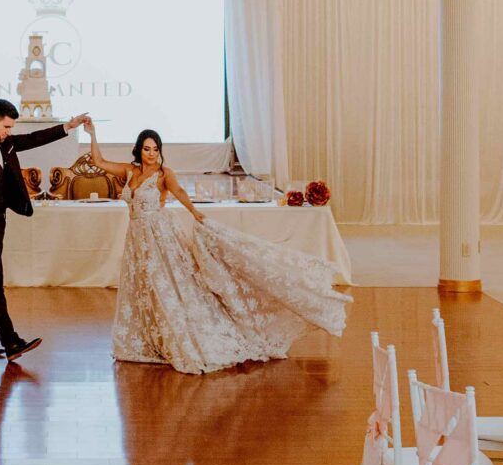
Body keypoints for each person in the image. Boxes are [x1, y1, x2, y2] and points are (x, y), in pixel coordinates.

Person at [96, 121, 349, 374]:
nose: (151, 154)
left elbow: (181, 192)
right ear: (139, 150)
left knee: (168, 286)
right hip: (137, 238)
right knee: (144, 287)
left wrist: (195, 213)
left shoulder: (163, 174)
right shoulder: (130, 171)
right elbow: (100, 162)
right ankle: (151, 338)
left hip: (158, 235)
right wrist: (92, 133)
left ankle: (179, 336)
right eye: (146, 149)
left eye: (155, 149)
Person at [0, 98, 86, 360]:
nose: (9, 132)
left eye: (11, 128)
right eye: (6, 127)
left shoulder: (6, 144)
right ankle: (11, 341)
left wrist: (67, 126)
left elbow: (35, 138)